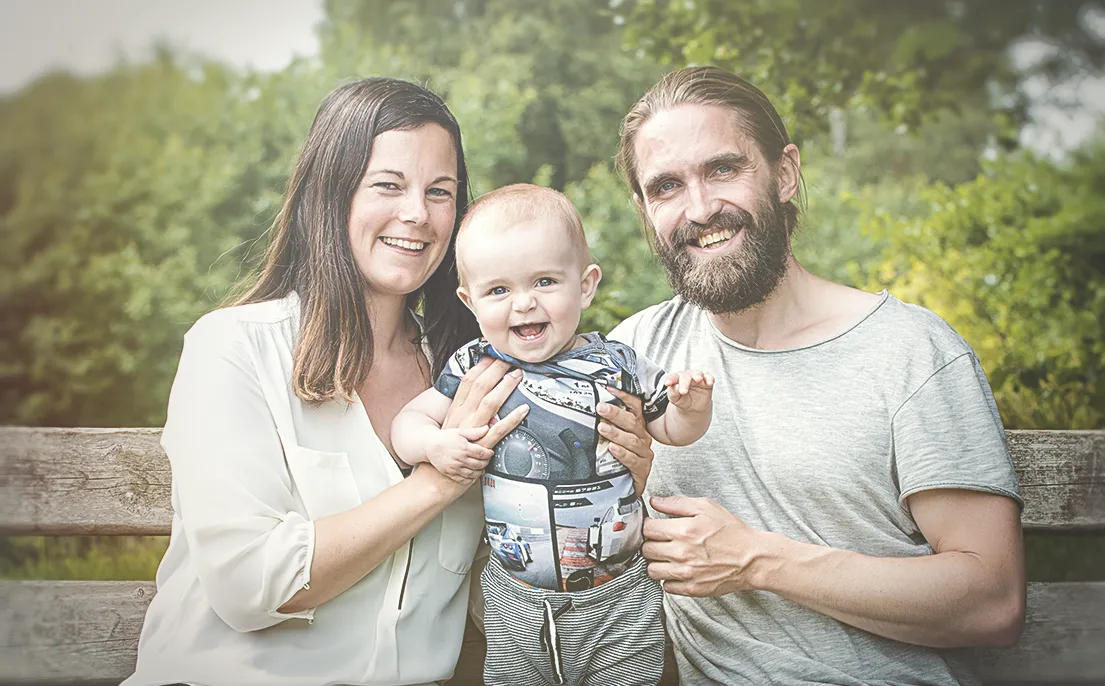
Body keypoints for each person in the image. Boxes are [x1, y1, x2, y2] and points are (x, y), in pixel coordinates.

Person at [123, 79, 656, 686]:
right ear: (331, 193)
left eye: (440, 192)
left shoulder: (476, 371)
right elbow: (249, 585)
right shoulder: (236, 347)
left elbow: (509, 585)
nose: (417, 214)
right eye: (388, 185)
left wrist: (616, 474)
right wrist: (435, 484)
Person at [608, 66, 1026, 685]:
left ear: (785, 173)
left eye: (723, 169)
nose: (700, 209)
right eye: (667, 187)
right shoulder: (635, 351)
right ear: (644, 210)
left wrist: (755, 560)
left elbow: (993, 602)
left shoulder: (910, 351)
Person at [392, 184, 714, 686]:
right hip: (513, 595)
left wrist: (691, 409)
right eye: (499, 290)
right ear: (469, 300)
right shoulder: (476, 365)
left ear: (585, 285)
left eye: (545, 281)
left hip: (620, 593)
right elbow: (407, 424)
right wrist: (435, 446)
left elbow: (670, 431)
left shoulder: (618, 363)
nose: (523, 304)